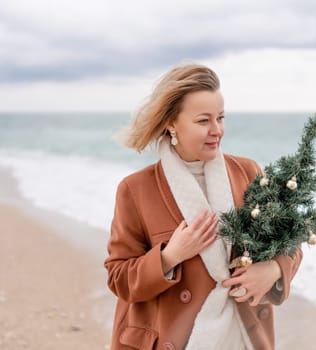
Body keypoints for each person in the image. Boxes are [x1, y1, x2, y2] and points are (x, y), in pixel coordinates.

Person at [104, 63, 302, 350]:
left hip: (243, 336)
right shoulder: (135, 190)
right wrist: (169, 256)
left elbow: (290, 242)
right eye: (203, 121)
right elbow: (119, 278)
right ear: (172, 122)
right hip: (173, 340)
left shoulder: (248, 173)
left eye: (220, 118)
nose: (217, 131)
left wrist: (272, 270)